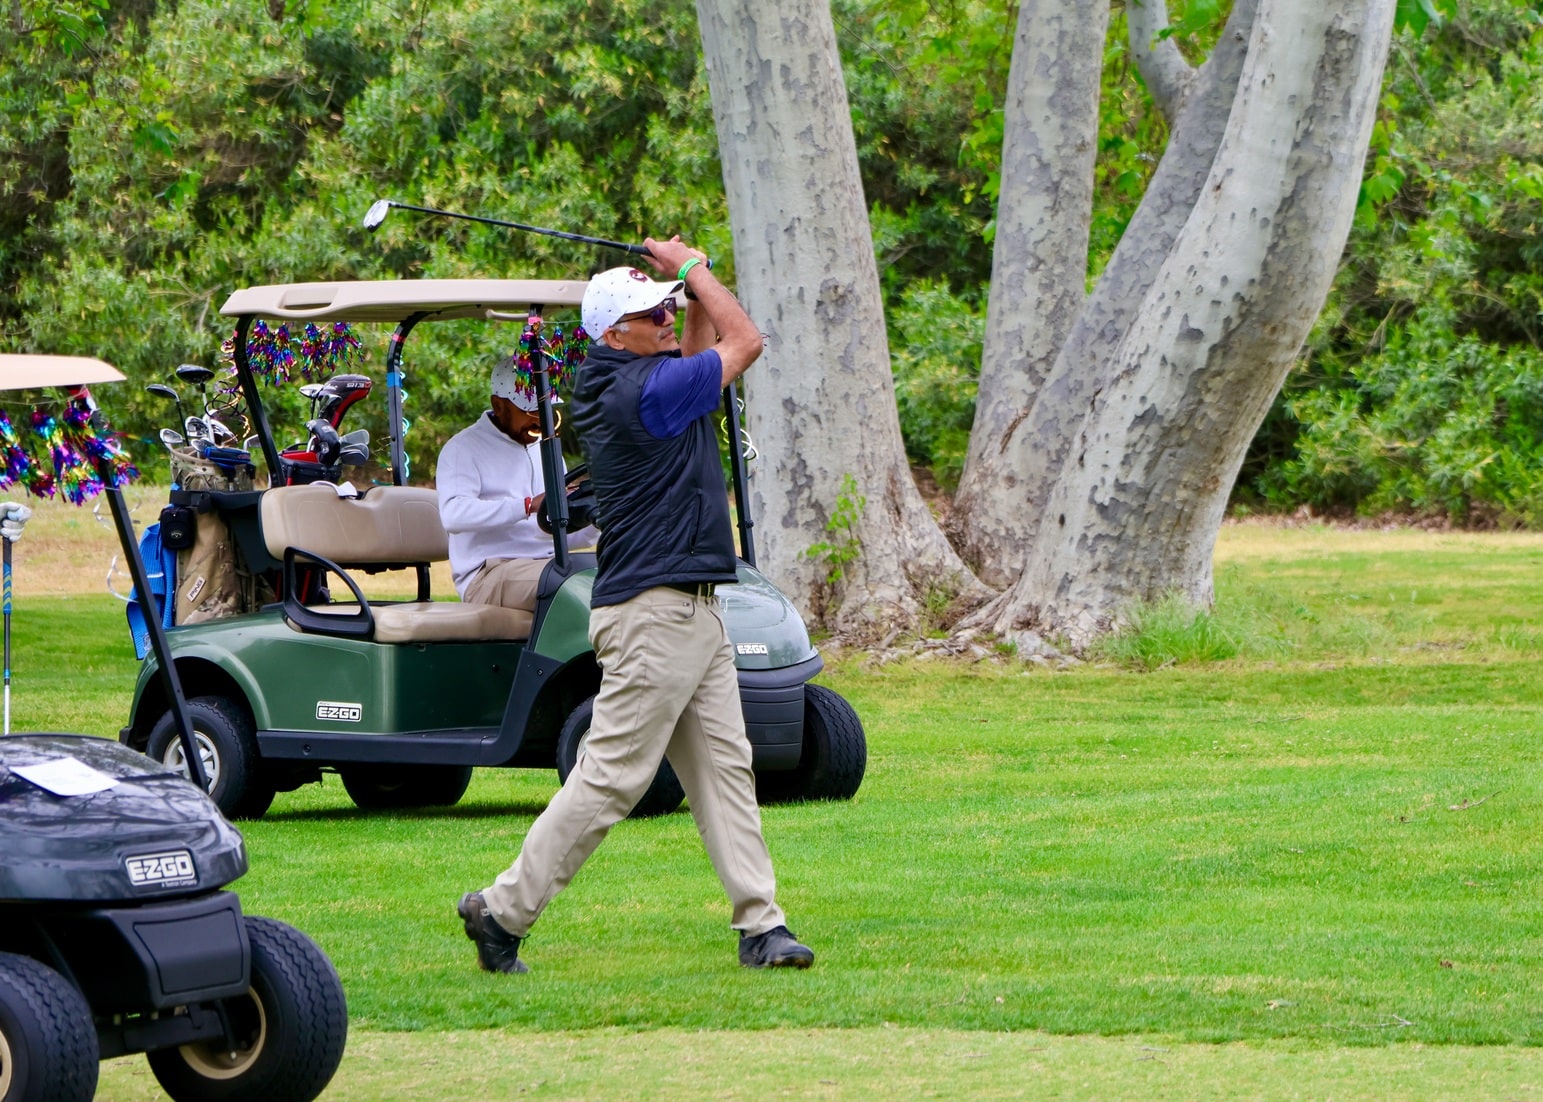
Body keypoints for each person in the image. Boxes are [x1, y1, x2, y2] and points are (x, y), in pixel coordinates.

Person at [457, 237, 814, 972]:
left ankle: (761, 925)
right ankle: (501, 911)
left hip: (692, 607)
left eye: (668, 312)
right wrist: (691, 271)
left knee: (723, 769)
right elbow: (744, 341)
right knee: (612, 777)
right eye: (653, 314)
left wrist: (681, 290)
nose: (668, 319)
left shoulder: (640, 377)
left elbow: (699, 347)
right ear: (615, 334)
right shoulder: (643, 391)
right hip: (656, 613)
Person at [436, 357, 594, 612]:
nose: (539, 420)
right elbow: (453, 516)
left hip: (548, 563)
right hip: (489, 574)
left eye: (543, 410)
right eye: (529, 411)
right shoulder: (462, 449)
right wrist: (528, 505)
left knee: (615, 573)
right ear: (498, 405)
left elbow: (562, 536)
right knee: (570, 584)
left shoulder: (548, 450)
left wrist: (597, 516)